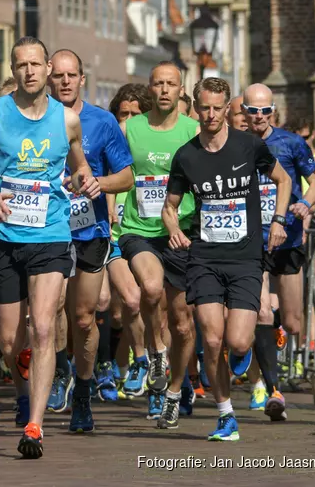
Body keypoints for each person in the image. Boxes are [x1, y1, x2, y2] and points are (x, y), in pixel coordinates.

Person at [0, 36, 99, 459]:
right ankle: (25, 375)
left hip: (50, 233)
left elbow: (78, 161)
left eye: (36, 64)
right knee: (12, 341)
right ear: (13, 71)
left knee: (45, 327)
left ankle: (34, 426)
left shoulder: (67, 120)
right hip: (3, 237)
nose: (29, 71)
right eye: (21, 65)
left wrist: (83, 176)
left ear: (48, 68)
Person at [162, 77, 291, 439]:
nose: (211, 114)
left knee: (236, 342)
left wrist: (278, 220)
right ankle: (225, 414)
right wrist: (173, 228)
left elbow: (282, 180)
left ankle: (242, 357)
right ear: (196, 106)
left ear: (227, 106)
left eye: (219, 108)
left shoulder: (248, 146)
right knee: (213, 339)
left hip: (246, 258)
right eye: (204, 107)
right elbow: (169, 207)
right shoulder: (186, 155)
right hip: (204, 258)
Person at [46, 49, 133, 433]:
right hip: (45, 229)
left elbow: (127, 176)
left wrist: (100, 183)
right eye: (58, 75)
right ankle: (60, 372)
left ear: (83, 79)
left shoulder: (102, 121)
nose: (65, 81)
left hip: (89, 230)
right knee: (50, 311)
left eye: (72, 75)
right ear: (49, 79)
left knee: (83, 317)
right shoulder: (35, 118)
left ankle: (82, 390)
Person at [117, 61, 199, 422]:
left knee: (183, 323)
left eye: (171, 84)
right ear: (149, 89)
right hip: (139, 228)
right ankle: (157, 353)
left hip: (181, 233)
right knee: (150, 290)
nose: (164, 90)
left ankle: (176, 389)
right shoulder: (129, 128)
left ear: (181, 90)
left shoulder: (194, 130)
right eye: (158, 83)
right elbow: (115, 172)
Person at [242, 83, 315, 422]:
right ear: (243, 111)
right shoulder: (234, 144)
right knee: (261, 311)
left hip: (287, 240)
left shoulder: (291, 143)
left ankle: (274, 336)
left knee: (291, 322)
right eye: (252, 110)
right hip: (251, 243)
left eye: (265, 110)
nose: (259, 117)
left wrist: (305, 203)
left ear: (272, 111)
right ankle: (267, 387)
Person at [106, 83, 152, 398]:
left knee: (156, 306)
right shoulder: (105, 144)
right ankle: (138, 360)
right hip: (115, 237)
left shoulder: (151, 150)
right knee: (129, 301)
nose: (127, 122)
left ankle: (161, 372)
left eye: (136, 115)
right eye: (123, 114)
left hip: (149, 236)